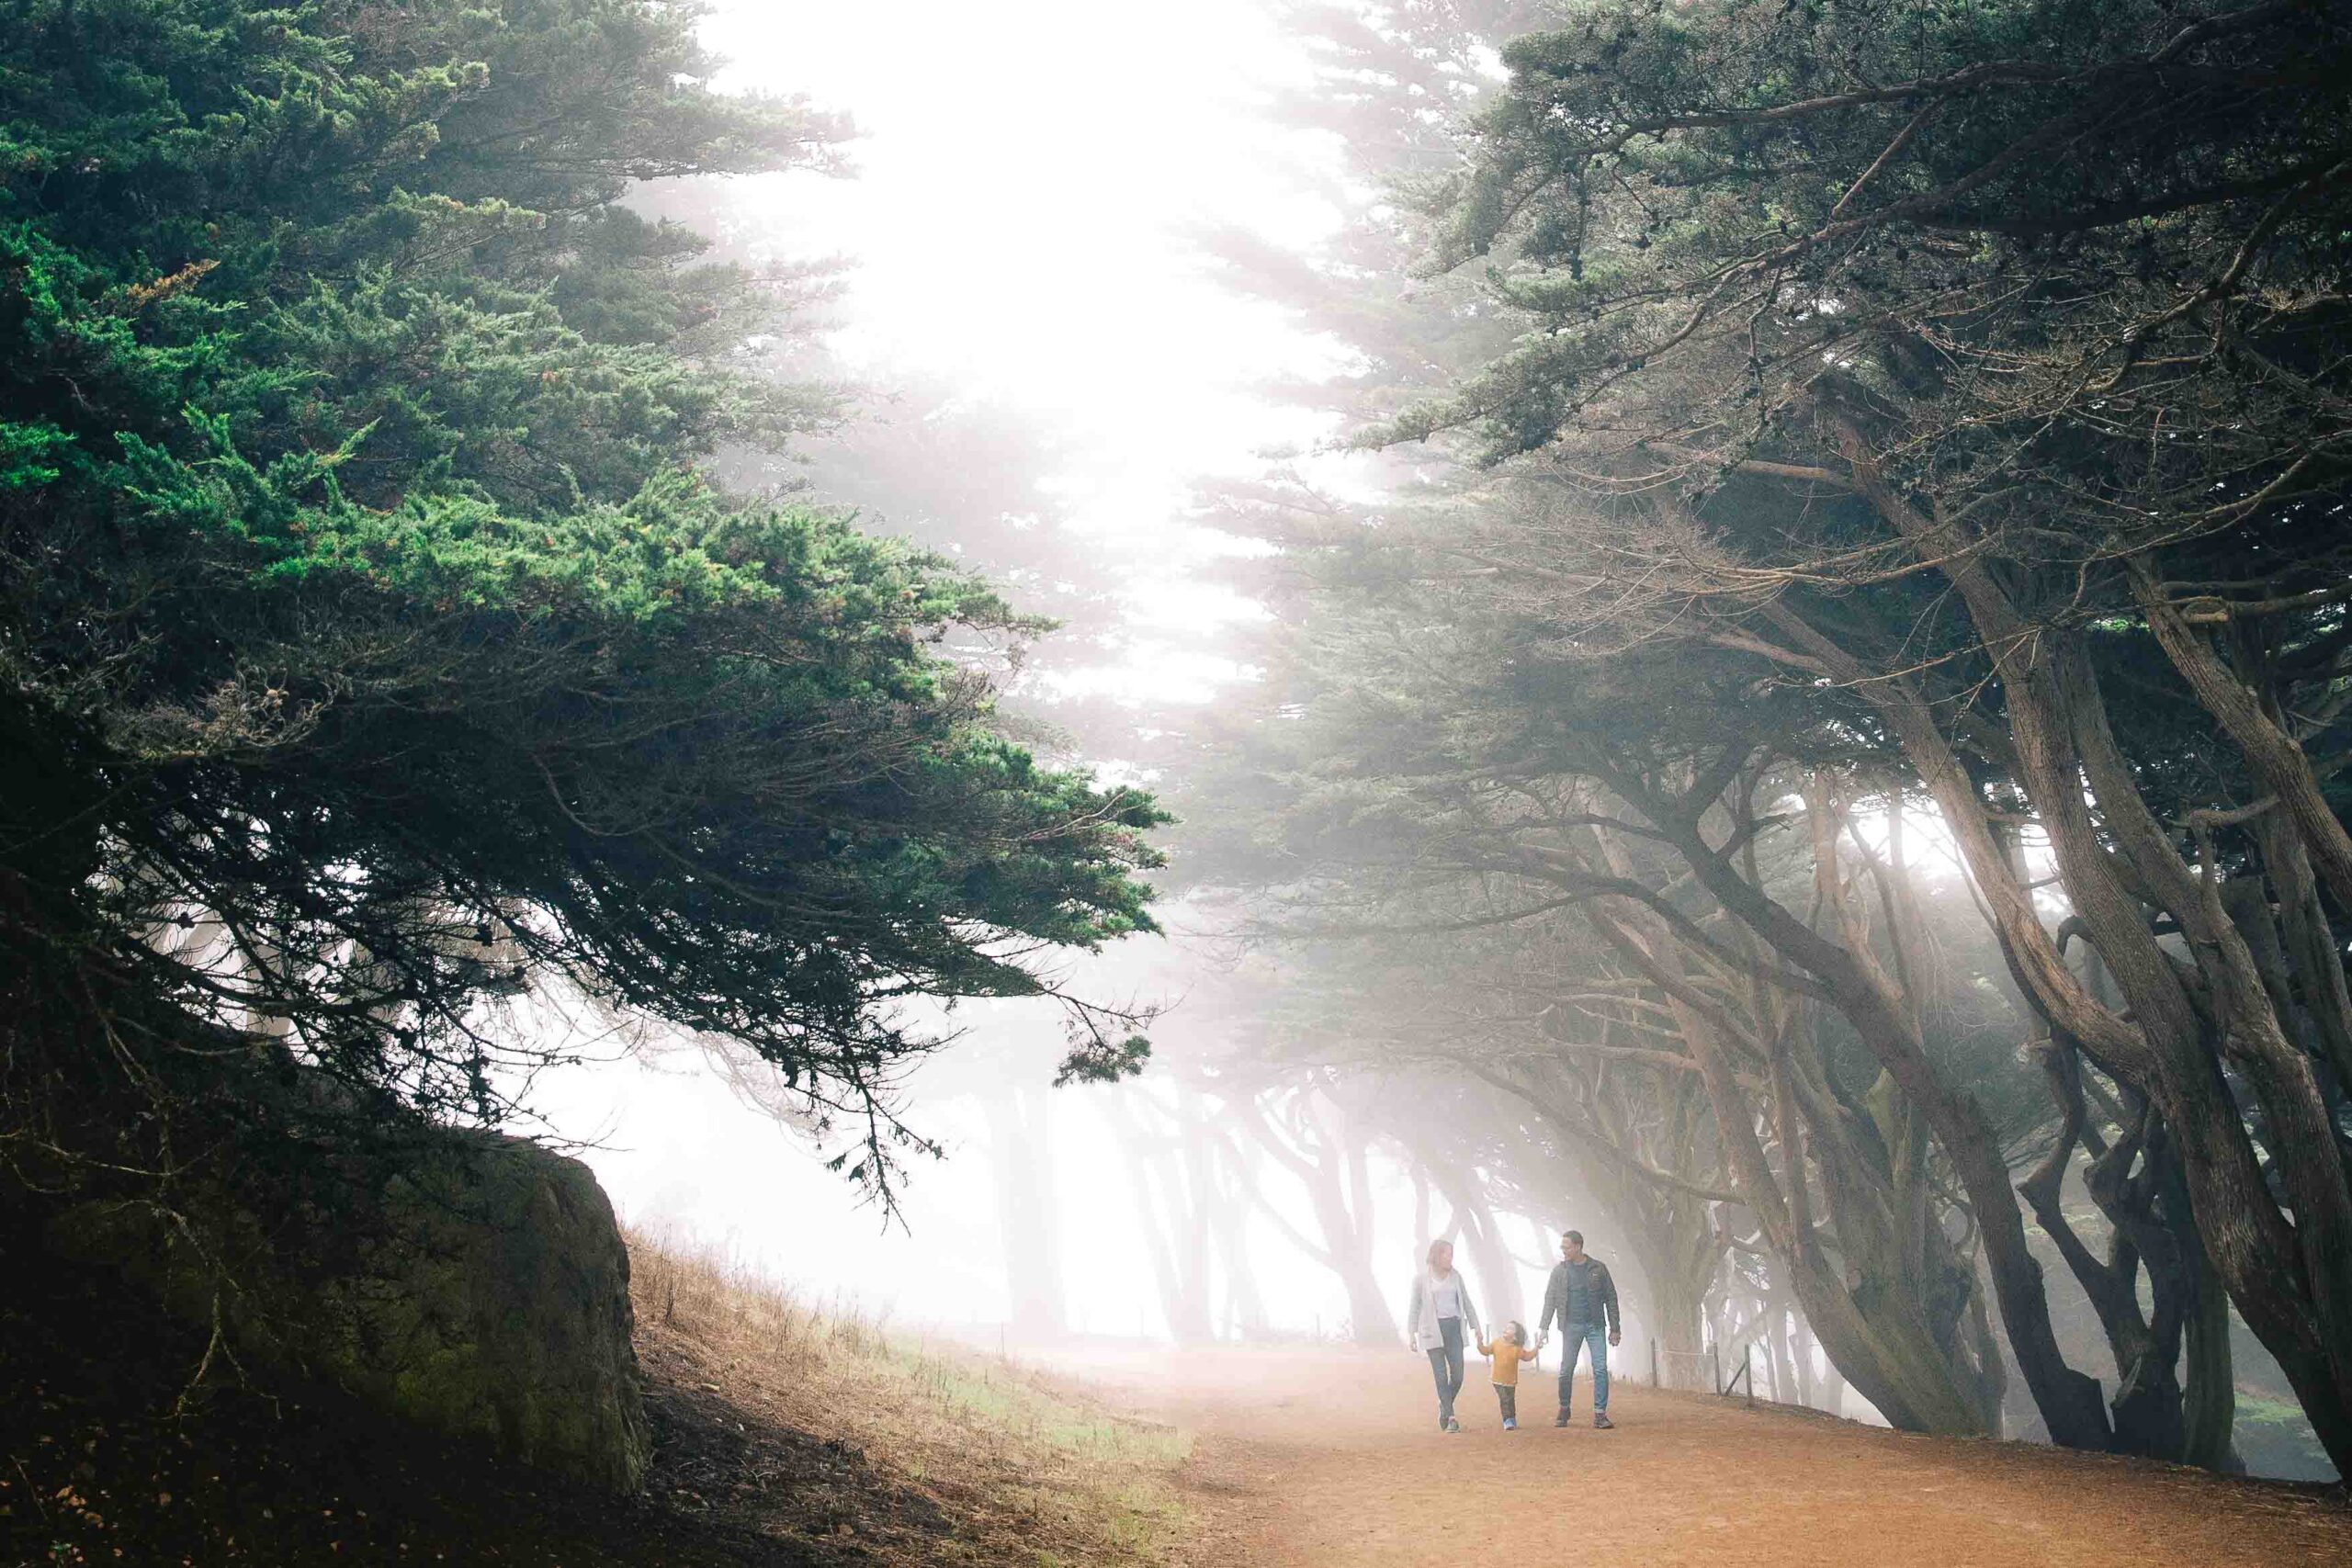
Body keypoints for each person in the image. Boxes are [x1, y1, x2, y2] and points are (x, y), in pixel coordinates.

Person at [1536, 1229, 1621, 1429]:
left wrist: (1615, 1328)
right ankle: (1564, 1408)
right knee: (1566, 1370)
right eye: (1562, 1247)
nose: (1563, 1250)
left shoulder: (1598, 1269)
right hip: (1570, 1326)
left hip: (1595, 1326)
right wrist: (1544, 1327)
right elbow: (1550, 1298)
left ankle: (1600, 1414)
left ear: (1577, 1246)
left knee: (1600, 1369)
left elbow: (1611, 1298)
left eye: (1566, 1247)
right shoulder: (1559, 1271)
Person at [1406, 1238, 1481, 1432]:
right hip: (1432, 1331)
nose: (1451, 1258)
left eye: (1451, 1254)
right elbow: (1414, 1307)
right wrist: (1411, 1333)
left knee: (1457, 1375)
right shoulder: (1421, 1280)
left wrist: (1476, 1327)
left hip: (1454, 1328)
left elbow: (1466, 1302)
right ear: (1437, 1256)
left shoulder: (1456, 1277)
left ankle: (1443, 1405)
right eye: (1448, 1254)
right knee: (1440, 1376)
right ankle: (1451, 1417)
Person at [1476, 1320, 1539, 1430]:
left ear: (1515, 1336)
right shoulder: (1496, 1343)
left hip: (1511, 1381)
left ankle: (1512, 1418)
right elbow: (1485, 1351)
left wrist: (1536, 1348)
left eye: (1510, 1328)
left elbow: (1528, 1357)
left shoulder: (1517, 1350)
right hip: (1497, 1380)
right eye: (1506, 1327)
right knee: (1504, 1399)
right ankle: (1507, 1420)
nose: (1505, 1329)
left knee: (1510, 1400)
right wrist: (1479, 1342)